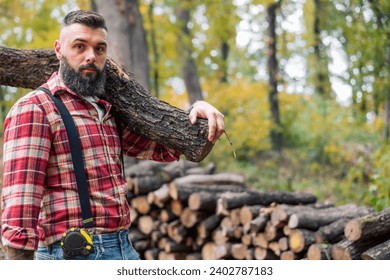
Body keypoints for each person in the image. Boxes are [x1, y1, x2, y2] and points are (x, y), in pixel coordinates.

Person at [1, 10, 225, 260]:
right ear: (58, 49)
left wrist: (197, 112)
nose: (90, 57)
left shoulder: (106, 109)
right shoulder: (35, 108)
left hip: (123, 247)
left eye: (99, 49)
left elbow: (162, 146)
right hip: (70, 255)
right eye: (79, 46)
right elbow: (20, 205)